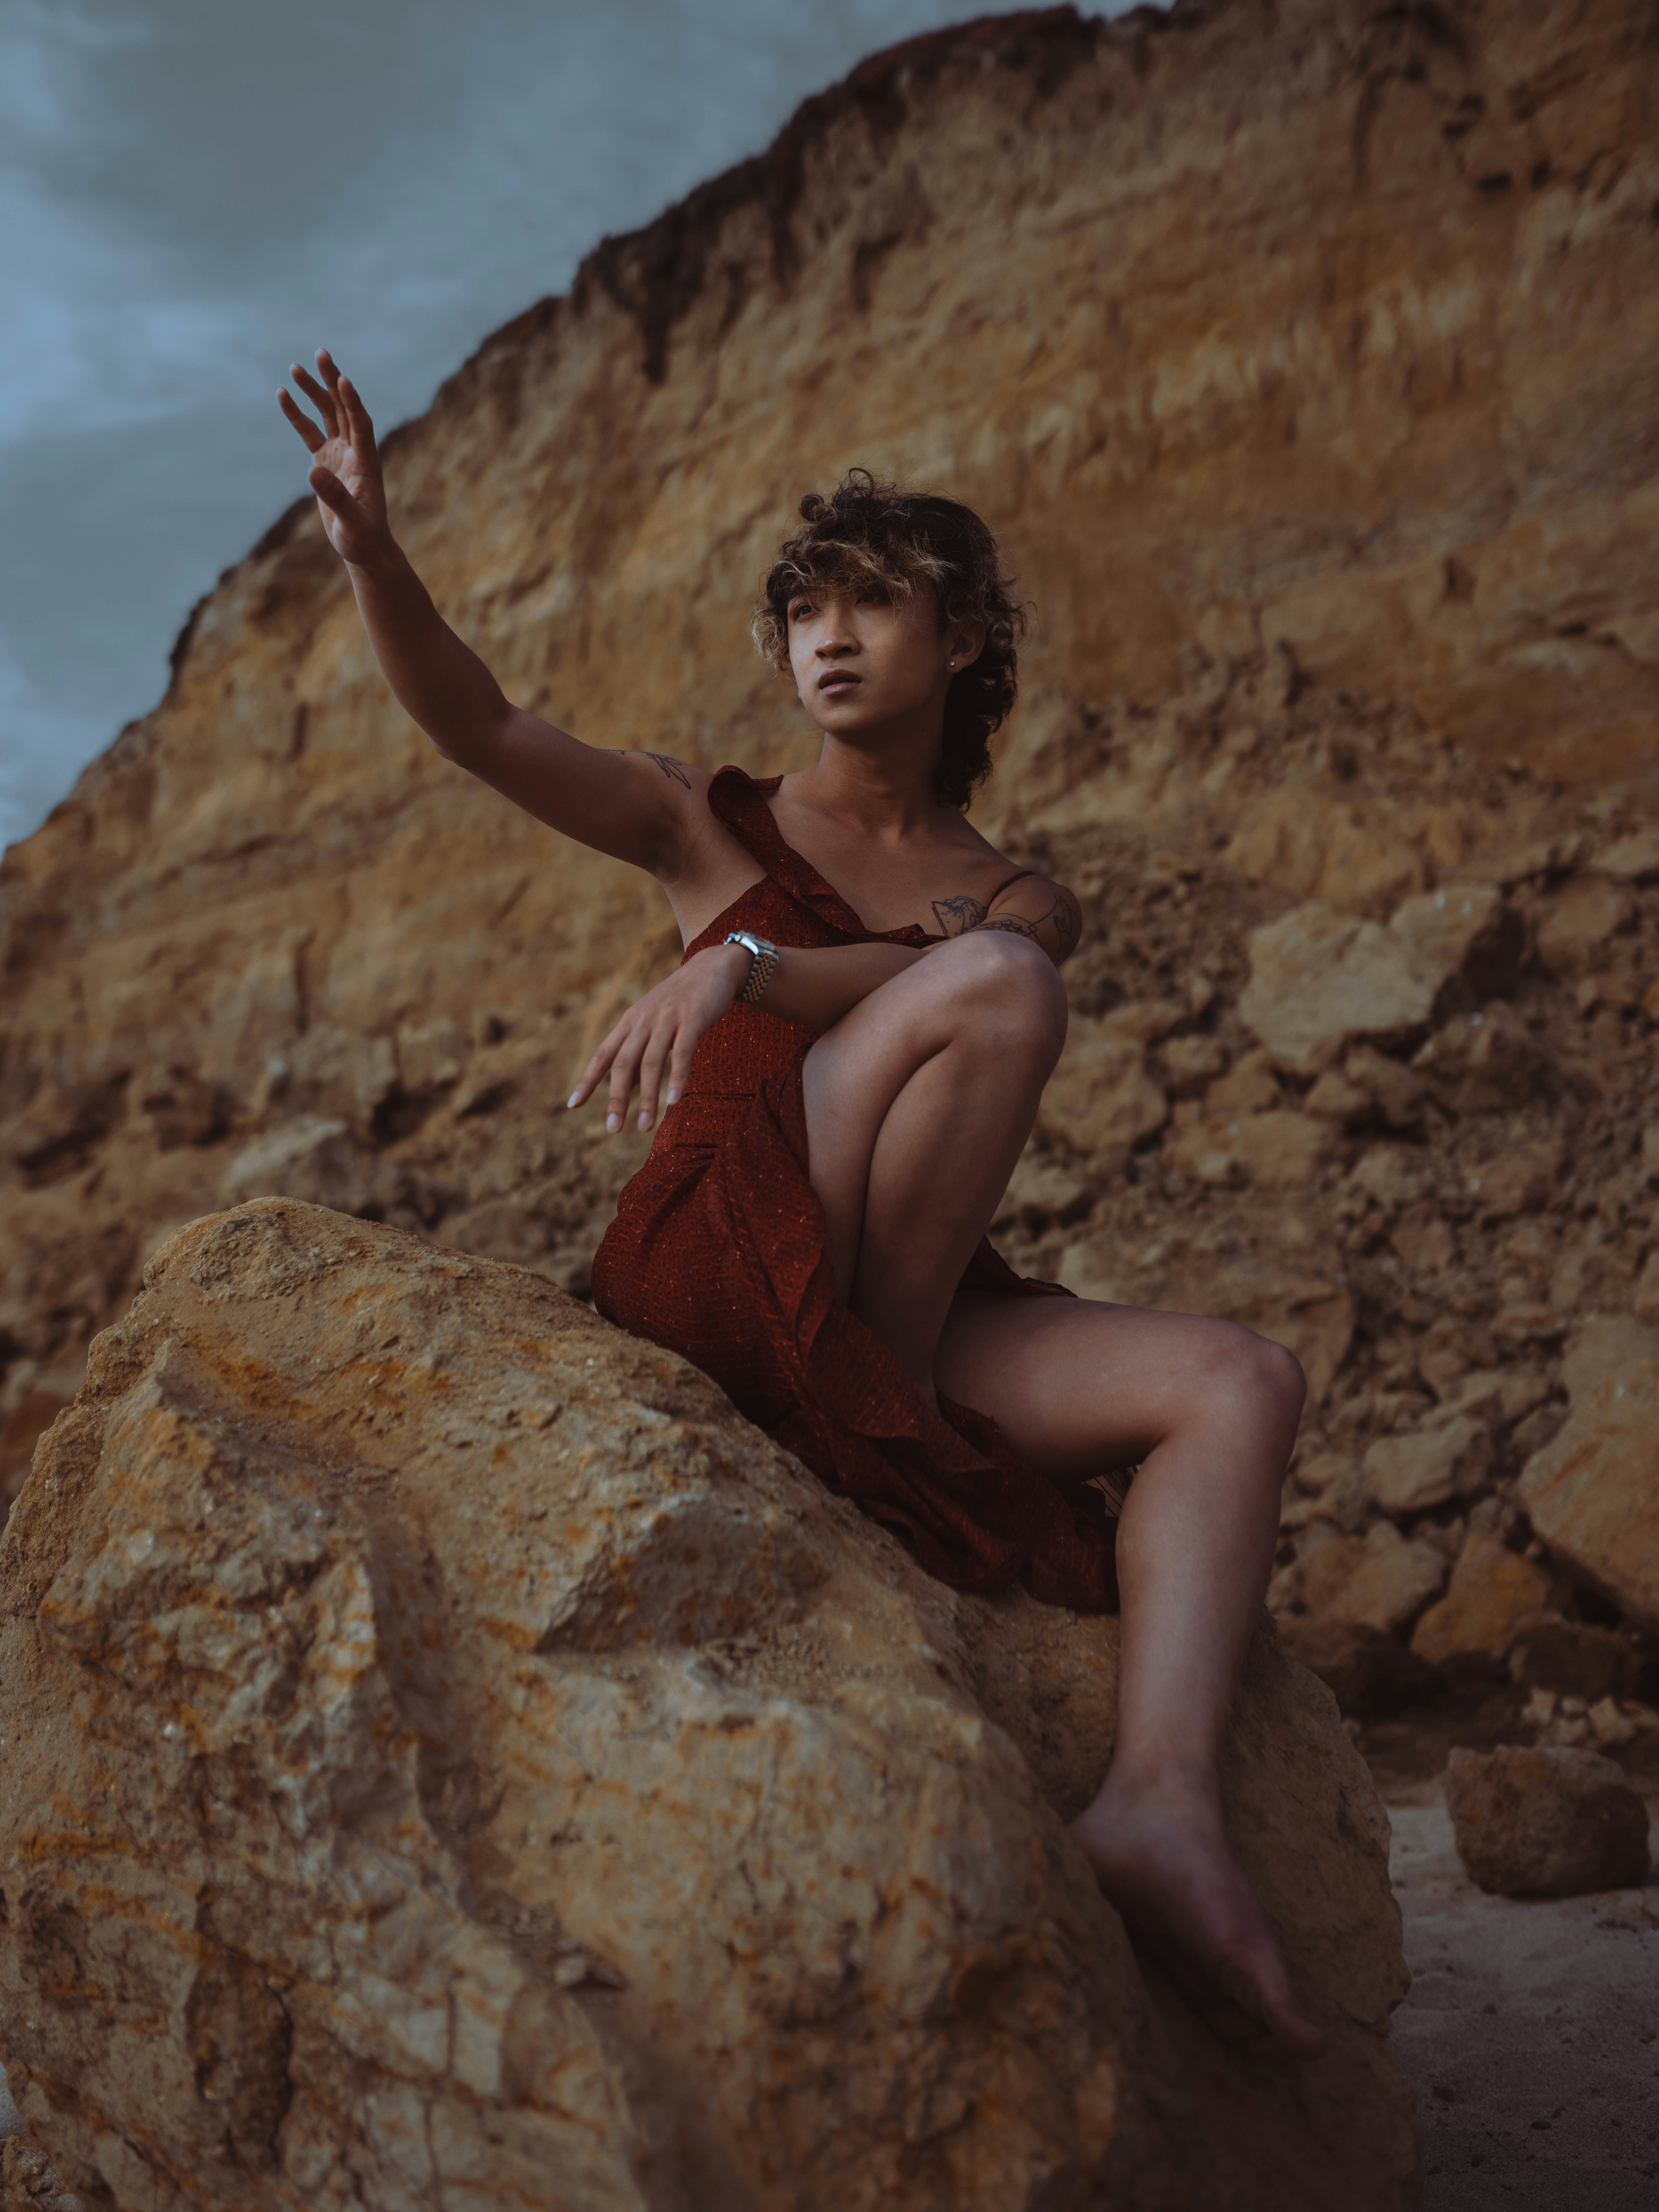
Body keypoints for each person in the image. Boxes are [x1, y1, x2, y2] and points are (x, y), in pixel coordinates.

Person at [279, 348, 1325, 2059]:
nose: (826, 636)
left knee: (1240, 1382)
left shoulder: (1014, 897)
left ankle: (1158, 1804)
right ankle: (879, 1420)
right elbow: (482, 725)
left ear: (963, 639)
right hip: (720, 1252)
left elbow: (941, 980)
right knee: (992, 988)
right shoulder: (708, 820)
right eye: (802, 610)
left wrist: (746, 967)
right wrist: (374, 558)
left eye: (872, 601)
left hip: (890, 1294)